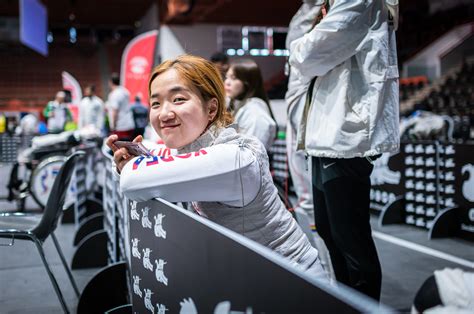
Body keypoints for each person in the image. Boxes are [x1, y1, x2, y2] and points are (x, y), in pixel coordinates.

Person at [106, 55, 328, 282]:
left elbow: (133, 181)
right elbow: (157, 153)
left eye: (179, 99)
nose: (164, 113)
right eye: (155, 103)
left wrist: (129, 166)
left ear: (211, 109)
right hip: (254, 278)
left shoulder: (234, 157)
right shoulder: (194, 145)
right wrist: (132, 155)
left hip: (294, 285)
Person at [288, 0, 400, 300]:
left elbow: (308, 55)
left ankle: (361, 306)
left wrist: (306, 42)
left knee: (351, 239)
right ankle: (346, 301)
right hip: (323, 139)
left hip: (344, 139)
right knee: (328, 230)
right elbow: (304, 51)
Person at [224, 59, 277, 151]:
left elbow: (252, 153)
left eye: (233, 78)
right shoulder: (241, 106)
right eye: (227, 77)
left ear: (248, 83)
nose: (227, 82)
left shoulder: (255, 113)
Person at [106, 73, 135, 141]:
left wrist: (113, 126)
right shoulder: (125, 91)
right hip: (129, 123)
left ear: (111, 82)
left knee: (120, 149)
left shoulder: (114, 94)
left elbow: (114, 111)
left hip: (120, 126)